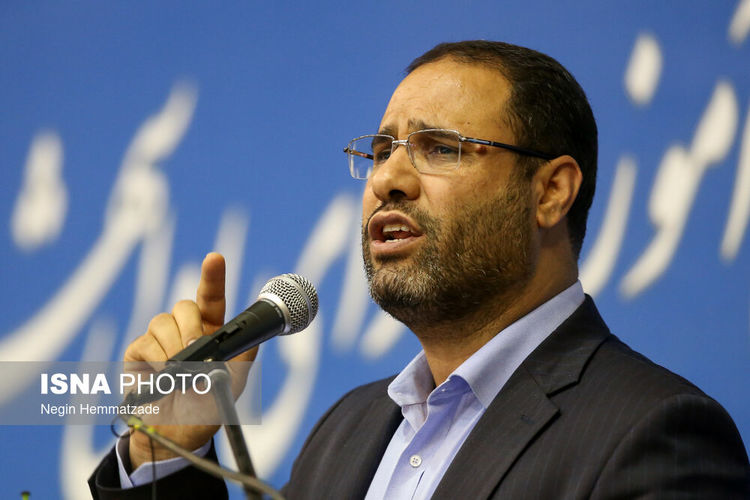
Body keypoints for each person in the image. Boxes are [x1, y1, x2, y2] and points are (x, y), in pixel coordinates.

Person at [89, 40, 750, 499]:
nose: (389, 179)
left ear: (550, 192)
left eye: (440, 148)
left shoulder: (652, 433)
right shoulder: (345, 432)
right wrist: (163, 455)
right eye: (381, 151)